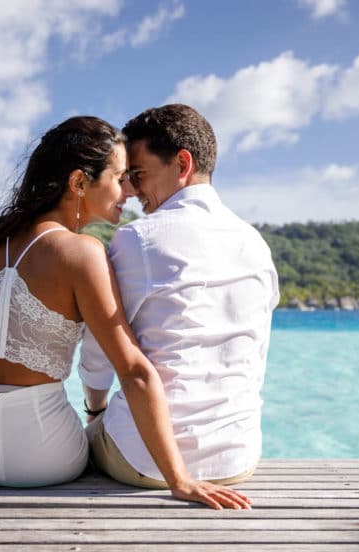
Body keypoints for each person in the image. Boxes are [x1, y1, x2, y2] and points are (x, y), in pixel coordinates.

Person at [0, 116, 251, 512]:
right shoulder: (83, 254)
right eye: (120, 178)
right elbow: (133, 370)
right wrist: (179, 479)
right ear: (80, 183)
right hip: (41, 458)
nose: (129, 191)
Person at [77, 104, 278, 489]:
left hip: (143, 461)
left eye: (138, 175)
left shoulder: (137, 239)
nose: (131, 191)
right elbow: (256, 355)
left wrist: (95, 410)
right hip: (239, 456)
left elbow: (99, 351)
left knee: (69, 442)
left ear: (181, 164)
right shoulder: (256, 244)